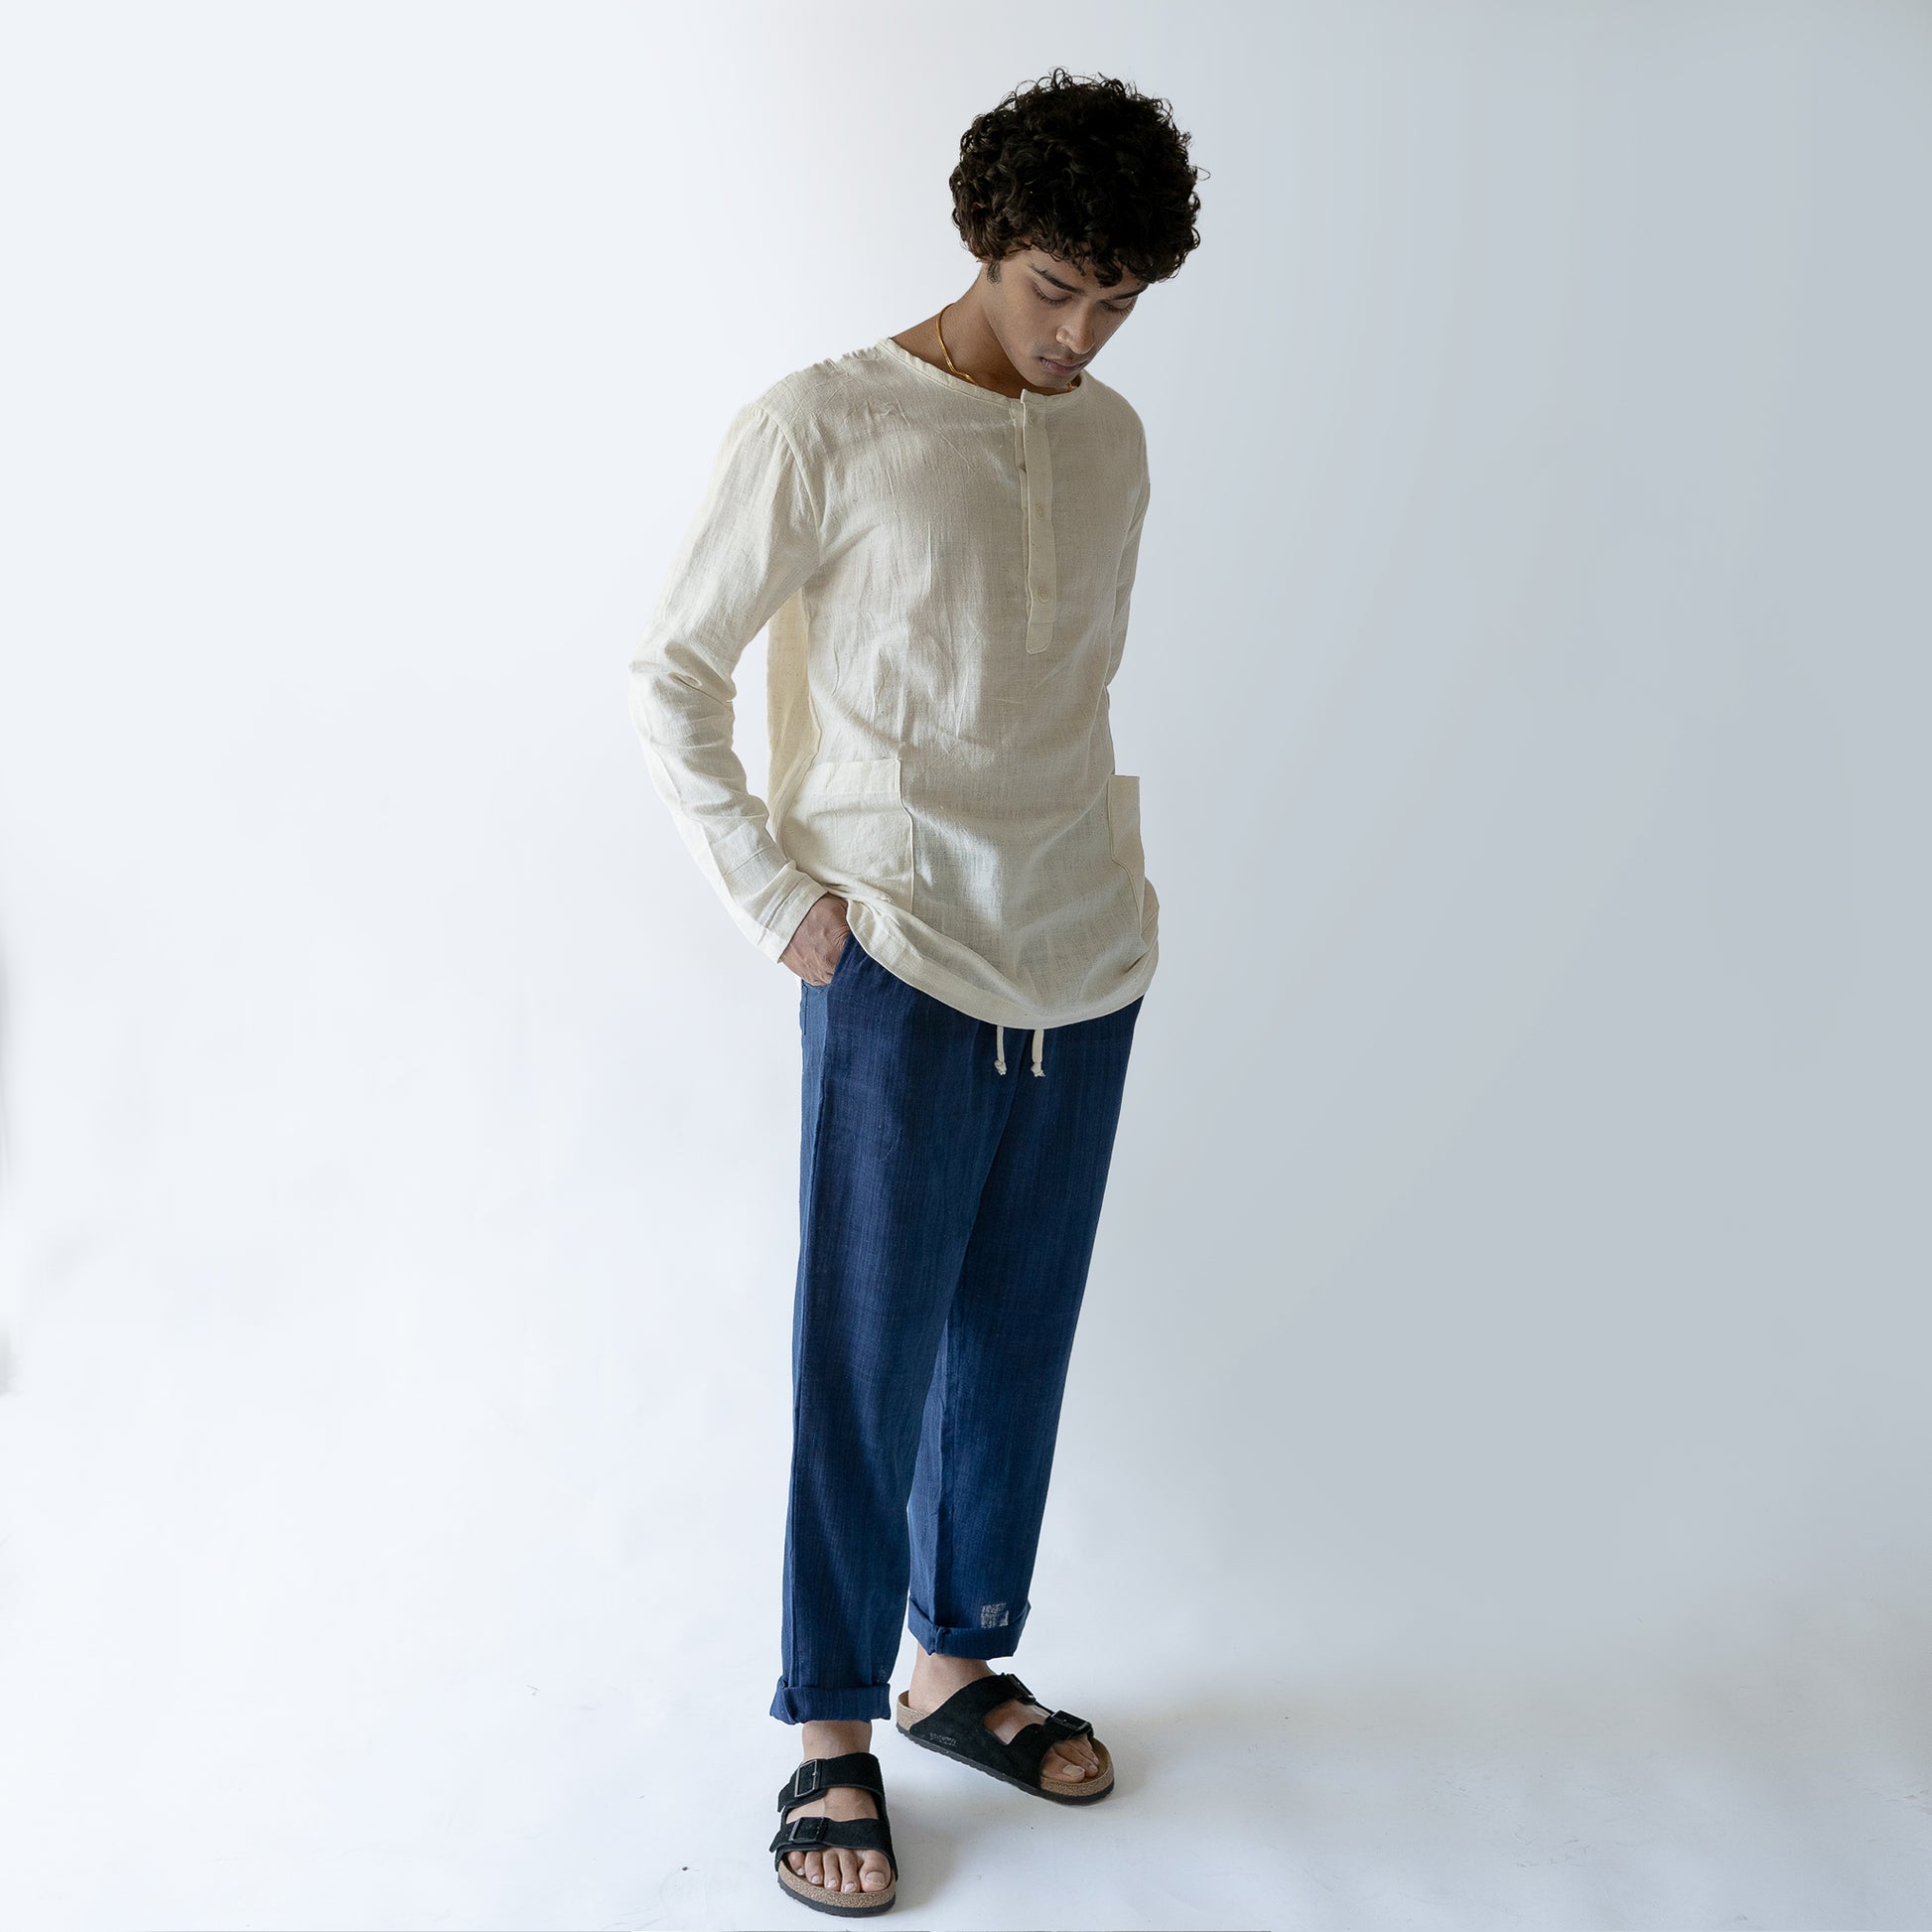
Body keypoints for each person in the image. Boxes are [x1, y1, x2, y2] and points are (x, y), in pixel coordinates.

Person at [628, 66, 1203, 1917]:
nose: (1081, 334)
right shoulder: (825, 424)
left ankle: (954, 1664)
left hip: (1081, 946)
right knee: (864, 1345)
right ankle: (826, 1721)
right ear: (984, 240)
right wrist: (778, 896)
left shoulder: (1112, 442)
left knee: (1017, 1330)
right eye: (1055, 288)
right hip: (892, 946)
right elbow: (671, 671)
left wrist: (1111, 880)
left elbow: (1062, 684)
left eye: (1117, 302)